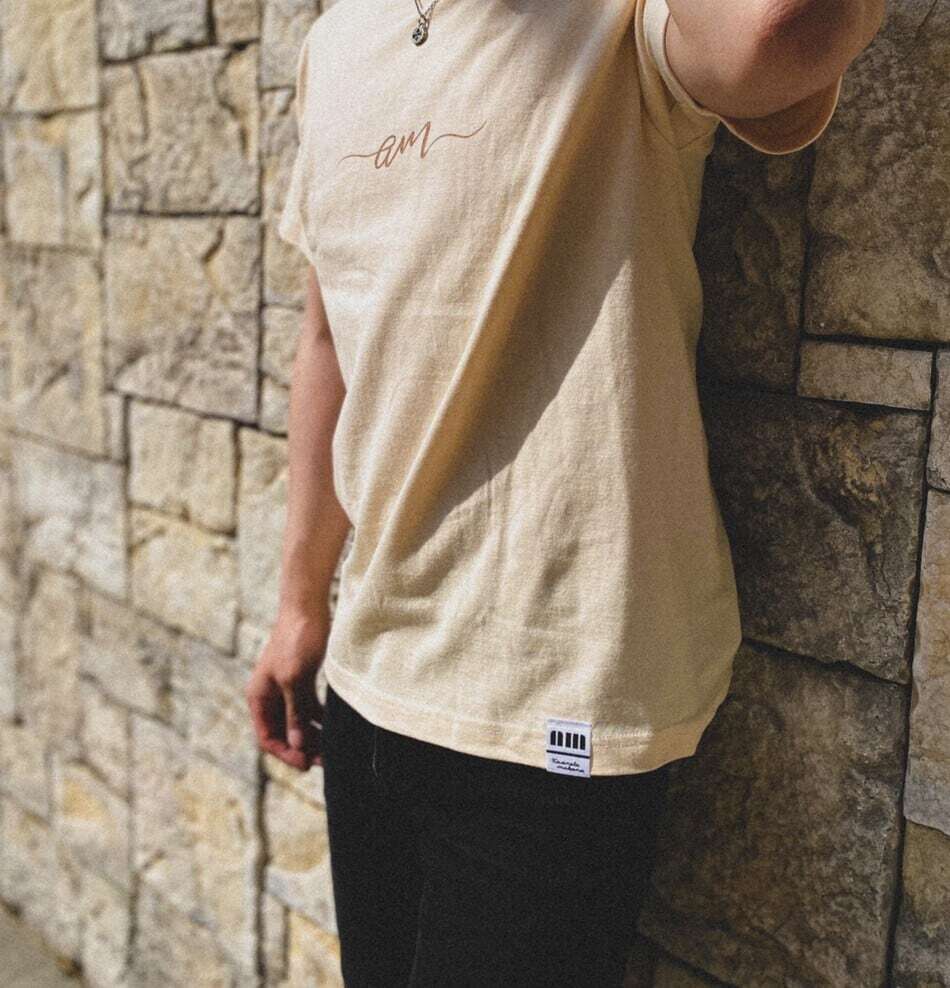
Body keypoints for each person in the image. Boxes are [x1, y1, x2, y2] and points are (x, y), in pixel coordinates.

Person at [245, 0, 885, 984]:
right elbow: (328, 335)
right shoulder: (336, 42)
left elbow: (779, 30)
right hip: (373, 679)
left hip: (554, 693)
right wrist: (299, 602)